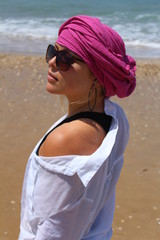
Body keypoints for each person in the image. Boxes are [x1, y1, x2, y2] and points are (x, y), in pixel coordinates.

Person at [19, 15, 136, 240]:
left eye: (66, 58)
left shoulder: (64, 140)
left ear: (96, 74)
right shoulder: (115, 118)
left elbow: (53, 231)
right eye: (53, 51)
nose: (52, 62)